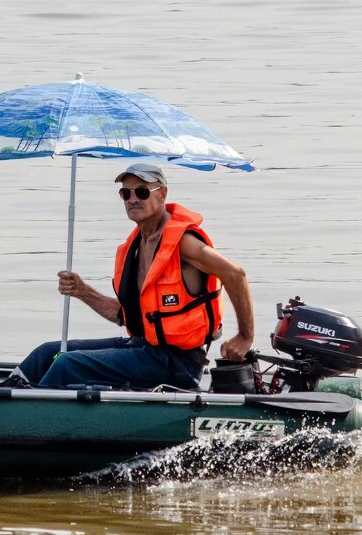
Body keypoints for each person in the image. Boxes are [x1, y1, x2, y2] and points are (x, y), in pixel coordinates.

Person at [17, 162, 254, 390]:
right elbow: (127, 316)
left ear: (162, 194)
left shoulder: (184, 243)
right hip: (144, 349)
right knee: (50, 352)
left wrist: (245, 336)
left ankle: (27, 419)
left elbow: (236, 274)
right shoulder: (138, 245)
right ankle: (3, 395)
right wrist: (82, 291)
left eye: (141, 192)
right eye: (125, 193)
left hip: (177, 364)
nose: (132, 199)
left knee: (67, 364)